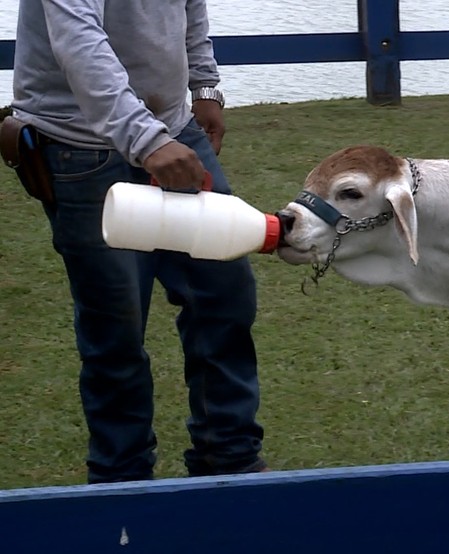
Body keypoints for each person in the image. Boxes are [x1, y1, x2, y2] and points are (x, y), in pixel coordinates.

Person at [10, 0, 268, 483]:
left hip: (172, 130)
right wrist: (147, 141)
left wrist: (204, 86)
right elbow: (79, 42)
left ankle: (231, 464)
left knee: (224, 296)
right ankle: (121, 484)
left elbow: (188, 7)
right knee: (116, 328)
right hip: (79, 145)